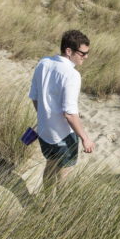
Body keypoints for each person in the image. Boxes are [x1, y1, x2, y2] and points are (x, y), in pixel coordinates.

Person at [29, 30, 95, 188]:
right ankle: (56, 210)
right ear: (68, 51)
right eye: (82, 53)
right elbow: (70, 114)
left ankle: (46, 201)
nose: (86, 57)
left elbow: (34, 97)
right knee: (64, 176)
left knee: (50, 166)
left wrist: (44, 117)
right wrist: (85, 138)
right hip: (63, 135)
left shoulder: (43, 63)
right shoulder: (72, 75)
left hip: (44, 132)